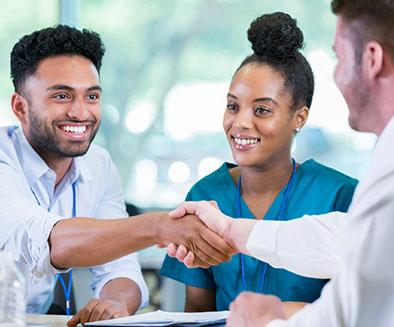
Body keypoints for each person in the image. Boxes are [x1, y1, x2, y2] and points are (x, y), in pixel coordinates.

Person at [0, 25, 234, 325]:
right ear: (20, 107)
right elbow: (48, 241)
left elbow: (120, 269)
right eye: (61, 96)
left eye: (92, 96)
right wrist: (161, 226)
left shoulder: (97, 164)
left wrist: (115, 303)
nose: (81, 113)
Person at [168, 0, 394, 325]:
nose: (242, 122)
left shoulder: (349, 189)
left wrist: (278, 316)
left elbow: (357, 303)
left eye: (338, 58)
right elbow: (352, 243)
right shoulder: (207, 193)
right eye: (233, 106)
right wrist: (231, 230)